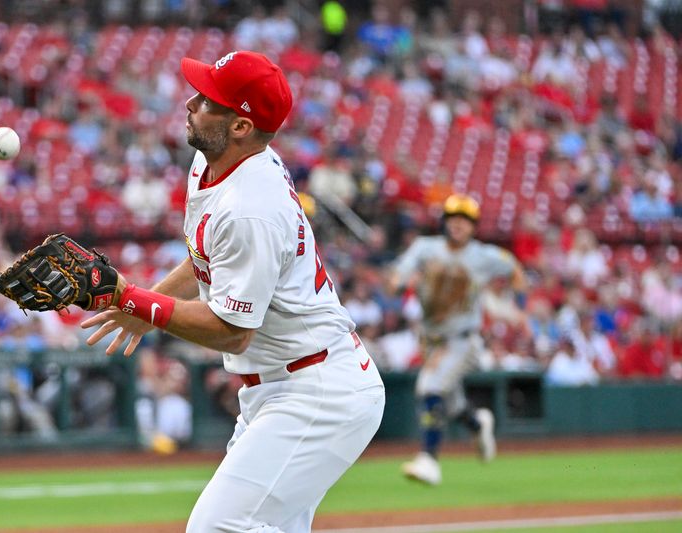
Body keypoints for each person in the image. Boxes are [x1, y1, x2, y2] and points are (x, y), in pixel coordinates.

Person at [81, 51, 385, 532]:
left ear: (241, 126)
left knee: (216, 527)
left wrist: (132, 298)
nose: (190, 101)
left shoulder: (251, 207)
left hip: (317, 389)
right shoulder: (216, 165)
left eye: (207, 99)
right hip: (281, 385)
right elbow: (205, 259)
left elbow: (233, 331)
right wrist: (142, 303)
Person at [385, 194, 527, 486]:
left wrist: (514, 305)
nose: (458, 225)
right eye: (453, 219)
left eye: (465, 220)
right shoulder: (426, 248)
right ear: (445, 223)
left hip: (463, 339)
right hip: (432, 340)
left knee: (430, 388)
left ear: (473, 226)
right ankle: (478, 423)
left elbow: (514, 270)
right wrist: (400, 283)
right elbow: (399, 274)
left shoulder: (483, 255)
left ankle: (429, 459)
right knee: (450, 405)